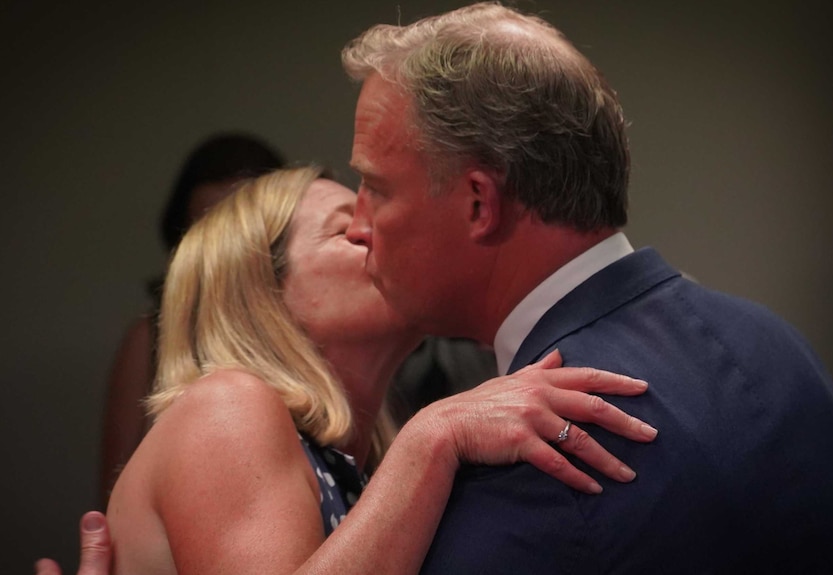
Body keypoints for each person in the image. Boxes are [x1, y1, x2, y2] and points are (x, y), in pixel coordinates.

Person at [337, 2, 833, 572]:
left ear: (478, 203)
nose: (357, 226)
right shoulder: (778, 344)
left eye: (376, 188)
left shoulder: (538, 453)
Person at [46, 165, 655, 574]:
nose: (380, 235)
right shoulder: (226, 405)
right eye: (348, 230)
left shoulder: (345, 459)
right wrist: (435, 435)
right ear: (264, 291)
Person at [100, 132, 285, 503]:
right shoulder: (151, 339)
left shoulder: (307, 326)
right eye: (206, 228)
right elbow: (112, 498)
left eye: (242, 228)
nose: (224, 249)